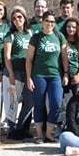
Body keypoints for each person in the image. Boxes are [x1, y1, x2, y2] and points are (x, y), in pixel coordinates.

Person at [26, 11, 67, 143]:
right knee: (39, 104)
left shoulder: (59, 36)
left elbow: (64, 57)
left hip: (56, 75)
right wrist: (29, 78)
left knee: (55, 104)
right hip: (39, 75)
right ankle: (39, 135)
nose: (50, 24)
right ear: (42, 22)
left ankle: (49, 134)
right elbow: (29, 59)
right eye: (47, 21)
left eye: (52, 22)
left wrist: (66, 73)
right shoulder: (37, 37)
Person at [4, 7, 34, 137]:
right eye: (14, 18)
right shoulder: (10, 35)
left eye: (20, 17)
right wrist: (10, 73)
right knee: (12, 101)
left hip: (28, 72)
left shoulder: (31, 33)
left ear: (24, 18)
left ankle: (20, 127)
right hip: (15, 71)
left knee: (29, 101)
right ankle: (12, 129)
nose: (17, 20)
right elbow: (7, 56)